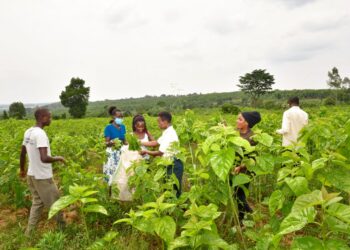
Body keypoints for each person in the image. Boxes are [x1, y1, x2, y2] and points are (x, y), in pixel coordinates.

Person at [20, 108, 66, 236]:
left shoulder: (28, 132)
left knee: (37, 203)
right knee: (56, 203)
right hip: (42, 176)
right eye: (49, 117)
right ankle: (63, 230)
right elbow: (44, 158)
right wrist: (59, 158)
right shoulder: (40, 134)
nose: (51, 119)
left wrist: (22, 169)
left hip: (32, 174)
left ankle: (29, 233)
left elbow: (22, 153)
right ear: (43, 117)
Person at [140, 112, 183, 198]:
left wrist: (146, 152)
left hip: (174, 164)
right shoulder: (167, 132)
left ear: (165, 121)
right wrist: (140, 142)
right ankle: (170, 209)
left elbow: (160, 153)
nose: (158, 124)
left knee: (174, 189)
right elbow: (155, 143)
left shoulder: (170, 134)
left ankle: (179, 208)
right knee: (167, 188)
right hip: (168, 163)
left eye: (159, 122)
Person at [233, 111, 261, 222]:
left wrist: (241, 167)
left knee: (240, 195)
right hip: (234, 170)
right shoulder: (236, 133)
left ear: (247, 123)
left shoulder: (252, 137)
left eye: (240, 119)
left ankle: (241, 220)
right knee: (236, 194)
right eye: (237, 118)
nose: (237, 121)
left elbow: (253, 158)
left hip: (245, 171)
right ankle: (250, 212)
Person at [103, 107, 126, 195]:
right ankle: (110, 193)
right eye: (119, 117)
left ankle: (119, 193)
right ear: (113, 117)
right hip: (112, 153)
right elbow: (106, 143)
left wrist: (132, 143)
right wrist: (113, 142)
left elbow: (124, 140)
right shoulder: (108, 128)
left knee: (120, 172)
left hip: (121, 152)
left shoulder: (123, 127)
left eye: (122, 117)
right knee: (111, 172)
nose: (121, 119)